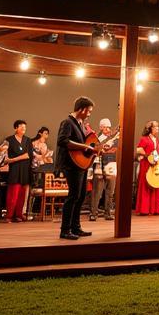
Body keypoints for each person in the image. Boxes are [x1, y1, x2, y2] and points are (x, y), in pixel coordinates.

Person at [55, 97, 96, 240]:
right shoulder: (67, 122)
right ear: (81, 109)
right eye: (89, 111)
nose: (89, 114)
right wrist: (85, 146)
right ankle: (65, 230)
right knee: (73, 196)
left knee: (81, 196)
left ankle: (76, 227)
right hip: (70, 165)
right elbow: (62, 141)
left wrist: (93, 149)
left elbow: (82, 145)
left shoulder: (80, 124)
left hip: (80, 164)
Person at [3, 119, 33, 223]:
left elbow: (29, 155)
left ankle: (19, 215)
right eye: (21, 127)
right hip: (14, 170)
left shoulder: (28, 140)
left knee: (22, 195)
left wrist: (14, 159)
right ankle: (9, 215)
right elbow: (5, 156)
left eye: (25, 127)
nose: (23, 128)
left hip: (25, 169)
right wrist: (12, 159)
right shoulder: (9, 140)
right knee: (13, 194)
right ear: (16, 128)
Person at [135, 120, 159, 216]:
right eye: (155, 127)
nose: (158, 128)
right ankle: (144, 210)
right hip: (146, 164)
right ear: (150, 129)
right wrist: (148, 155)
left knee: (155, 184)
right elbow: (139, 149)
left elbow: (158, 151)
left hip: (154, 165)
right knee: (145, 185)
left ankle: (154, 209)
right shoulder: (144, 139)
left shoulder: (156, 140)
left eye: (158, 126)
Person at [89, 117, 118, 221]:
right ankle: (93, 213)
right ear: (101, 128)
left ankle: (108, 213)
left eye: (109, 128)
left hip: (111, 165)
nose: (108, 130)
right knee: (97, 191)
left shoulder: (115, 139)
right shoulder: (97, 139)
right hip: (99, 165)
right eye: (106, 128)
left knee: (110, 191)